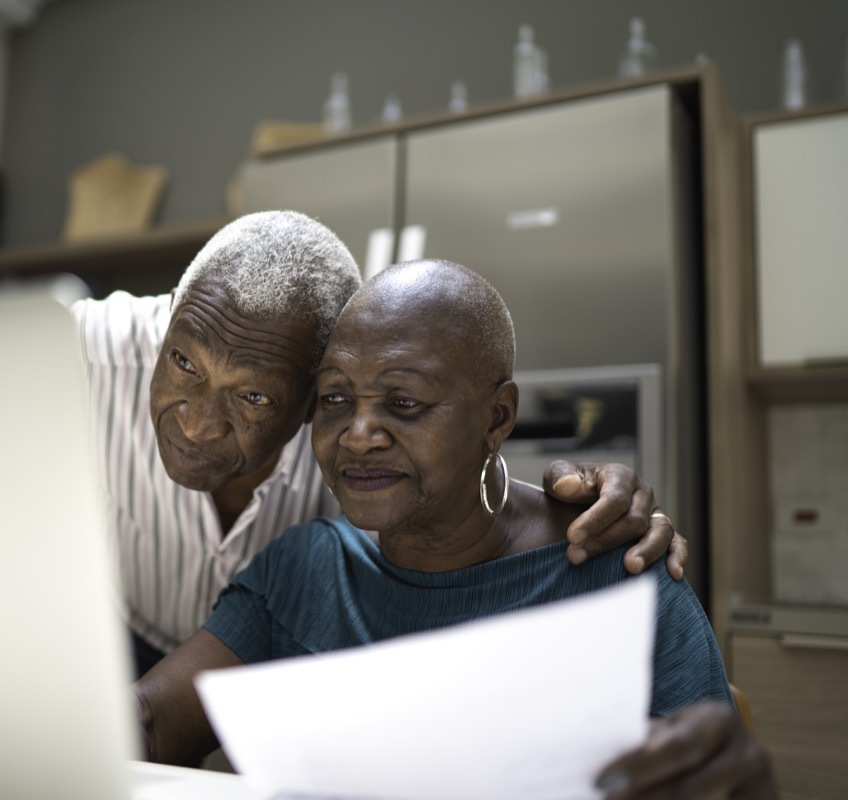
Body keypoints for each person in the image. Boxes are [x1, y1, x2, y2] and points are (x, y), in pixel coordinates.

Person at [133, 259, 776, 797]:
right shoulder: (304, 568)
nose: (358, 436)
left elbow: (714, 776)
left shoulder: (616, 570)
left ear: (497, 418)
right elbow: (153, 723)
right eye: (335, 400)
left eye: (404, 404)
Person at [72, 211, 688, 677]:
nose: (201, 425)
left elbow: (463, 485)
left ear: (313, 392)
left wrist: (607, 500)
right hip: (109, 629)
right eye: (183, 362)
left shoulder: (354, 446)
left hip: (271, 667)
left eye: (254, 397)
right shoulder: (86, 352)